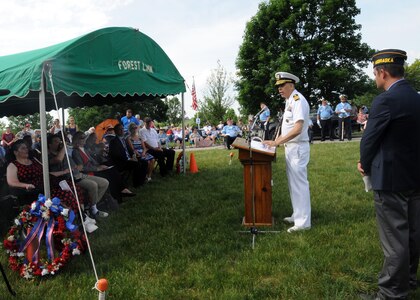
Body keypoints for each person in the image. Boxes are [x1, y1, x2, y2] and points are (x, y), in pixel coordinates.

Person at [358, 49, 420, 299]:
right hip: (415, 175)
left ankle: (392, 292)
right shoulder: (416, 98)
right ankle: (410, 278)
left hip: (391, 179)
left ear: (382, 72)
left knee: (394, 238)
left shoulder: (385, 100)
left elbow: (369, 139)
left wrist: (364, 162)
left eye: (375, 73)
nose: (375, 78)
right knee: (413, 233)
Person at [263, 71, 311, 233]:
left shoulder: (298, 100)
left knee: (299, 184)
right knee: (293, 184)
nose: (279, 89)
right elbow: (287, 127)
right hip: (290, 147)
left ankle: (303, 222)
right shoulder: (289, 101)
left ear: (291, 85)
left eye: (282, 85)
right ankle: (297, 215)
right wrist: (276, 142)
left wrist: (276, 142)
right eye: (278, 86)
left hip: (297, 147)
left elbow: (297, 129)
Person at [108, 123, 147, 187]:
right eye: (119, 129)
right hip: (121, 162)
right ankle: (136, 184)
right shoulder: (113, 141)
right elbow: (116, 155)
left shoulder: (124, 139)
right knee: (137, 164)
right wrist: (128, 159)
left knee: (144, 162)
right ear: (115, 131)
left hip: (129, 159)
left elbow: (130, 150)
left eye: (122, 129)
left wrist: (134, 155)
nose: (122, 131)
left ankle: (141, 181)